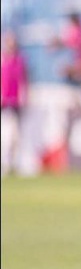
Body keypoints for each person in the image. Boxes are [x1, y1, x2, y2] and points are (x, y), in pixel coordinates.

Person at [1, 32, 28, 175]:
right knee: (6, 134)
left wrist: (24, 96)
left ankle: (15, 163)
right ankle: (5, 163)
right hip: (4, 103)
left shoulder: (19, 61)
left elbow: (23, 80)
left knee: (16, 135)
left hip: (16, 102)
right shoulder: (2, 60)